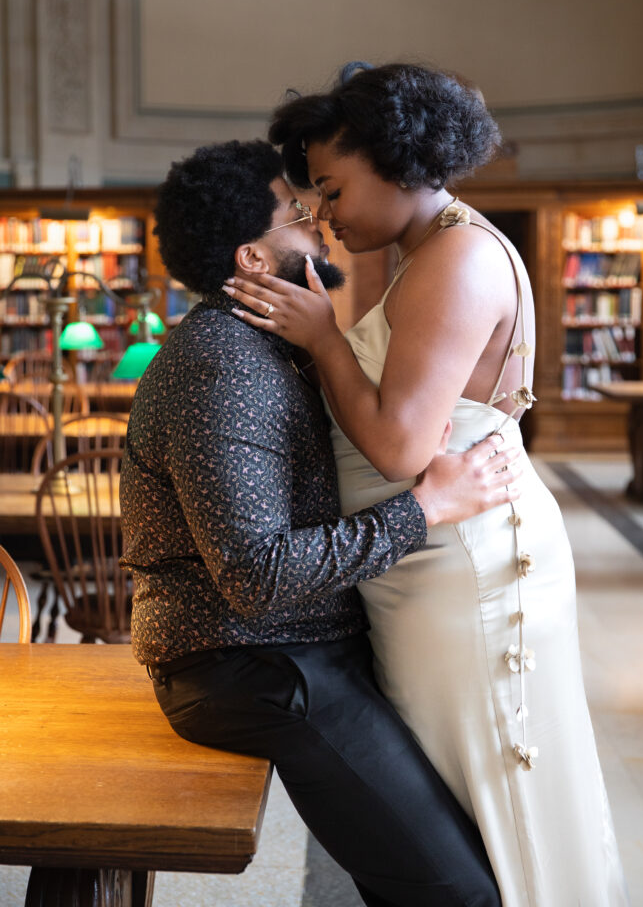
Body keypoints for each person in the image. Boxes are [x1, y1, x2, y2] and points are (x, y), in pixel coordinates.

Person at [225, 64, 630, 907]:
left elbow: (402, 448)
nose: (324, 216)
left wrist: (325, 342)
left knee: (483, 786)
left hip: (465, 569)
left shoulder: (454, 256)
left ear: (397, 157)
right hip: (429, 557)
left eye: (333, 191)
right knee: (443, 802)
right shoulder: (431, 249)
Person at [119, 138, 526, 907]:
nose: (317, 223)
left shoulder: (266, 348)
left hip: (293, 650)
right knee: (456, 892)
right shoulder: (222, 363)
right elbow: (257, 577)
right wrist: (425, 508)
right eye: (296, 213)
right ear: (251, 257)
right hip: (255, 665)